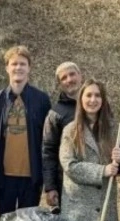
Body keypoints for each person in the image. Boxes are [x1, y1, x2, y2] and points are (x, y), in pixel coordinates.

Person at [59, 79, 120, 221]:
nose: (93, 100)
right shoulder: (70, 130)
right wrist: (102, 171)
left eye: (97, 95)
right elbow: (69, 165)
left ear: (103, 99)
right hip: (78, 207)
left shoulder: (115, 128)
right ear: (81, 99)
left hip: (105, 206)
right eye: (89, 95)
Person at [0, 45, 51, 217]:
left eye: (23, 64)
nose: (18, 68)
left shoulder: (41, 100)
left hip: (31, 177)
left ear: (29, 68)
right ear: (7, 68)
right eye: (14, 64)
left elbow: (48, 141)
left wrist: (48, 179)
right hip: (3, 177)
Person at [42, 61, 83, 208]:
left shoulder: (97, 105)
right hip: (66, 184)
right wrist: (50, 186)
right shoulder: (55, 114)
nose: (69, 79)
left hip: (96, 182)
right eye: (64, 78)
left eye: (72, 74)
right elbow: (48, 151)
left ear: (80, 76)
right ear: (60, 84)